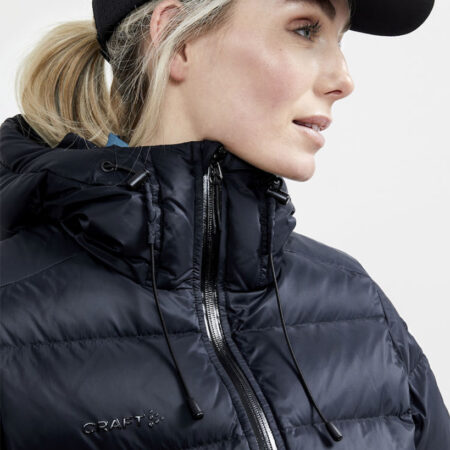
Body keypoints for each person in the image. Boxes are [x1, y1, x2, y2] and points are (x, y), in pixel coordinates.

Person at [0, 0, 448, 448]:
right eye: (306, 30)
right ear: (177, 39)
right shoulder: (11, 315)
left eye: (340, 38)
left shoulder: (361, 305)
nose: (343, 80)